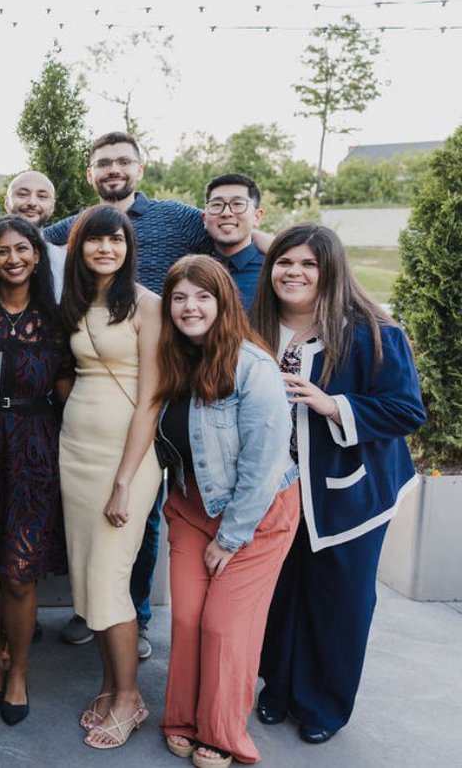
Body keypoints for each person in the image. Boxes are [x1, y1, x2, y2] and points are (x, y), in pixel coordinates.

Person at [45, 132, 270, 656]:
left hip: (167, 377)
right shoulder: (81, 225)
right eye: (104, 163)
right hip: (96, 403)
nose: (114, 169)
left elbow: (231, 225)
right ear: (90, 173)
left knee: (141, 514)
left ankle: (135, 615)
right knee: (99, 521)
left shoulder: (180, 217)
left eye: (124, 161)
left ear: (140, 168)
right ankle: (93, 607)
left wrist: (280, 246)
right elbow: (29, 239)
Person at [254, 223, 426, 745]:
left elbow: (406, 410)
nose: (295, 272)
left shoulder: (373, 331)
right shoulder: (253, 328)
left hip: (349, 493)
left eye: (308, 263)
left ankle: (323, 704)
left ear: (330, 271)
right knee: (281, 593)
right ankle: (277, 688)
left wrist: (333, 406)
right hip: (276, 491)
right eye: (285, 262)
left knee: (339, 599)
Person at [154, 256, 300, 767]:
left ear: (223, 303)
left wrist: (231, 537)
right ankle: (182, 717)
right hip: (192, 508)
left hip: (256, 518)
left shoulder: (252, 367)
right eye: (179, 297)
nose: (190, 307)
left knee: (222, 624)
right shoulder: (173, 358)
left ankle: (221, 730)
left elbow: (262, 468)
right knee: (189, 618)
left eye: (202, 297)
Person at [56, 204, 162, 749]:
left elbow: (151, 398)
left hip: (127, 459)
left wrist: (124, 479)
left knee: (110, 579)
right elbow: (67, 375)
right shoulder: (75, 301)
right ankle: (109, 684)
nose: (106, 249)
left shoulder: (147, 304)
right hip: (75, 451)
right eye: (95, 241)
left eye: (115, 240)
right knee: (88, 579)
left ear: (128, 246)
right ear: (80, 247)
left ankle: (130, 699)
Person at [0, 216, 67, 727]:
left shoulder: (56, 315)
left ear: (36, 255)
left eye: (22, 249)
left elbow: (71, 385)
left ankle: (20, 670)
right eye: (2, 251)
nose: (13, 258)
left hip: (35, 447)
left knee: (21, 572)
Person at [203, 174, 266, 309]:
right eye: (217, 205)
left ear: (257, 216)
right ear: (204, 218)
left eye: (237, 204)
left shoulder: (272, 272)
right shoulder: (191, 269)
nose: (226, 213)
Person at [3, 171, 66, 302]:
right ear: (6, 202)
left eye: (42, 196)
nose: (32, 202)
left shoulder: (64, 261)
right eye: (22, 194)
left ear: (52, 206)